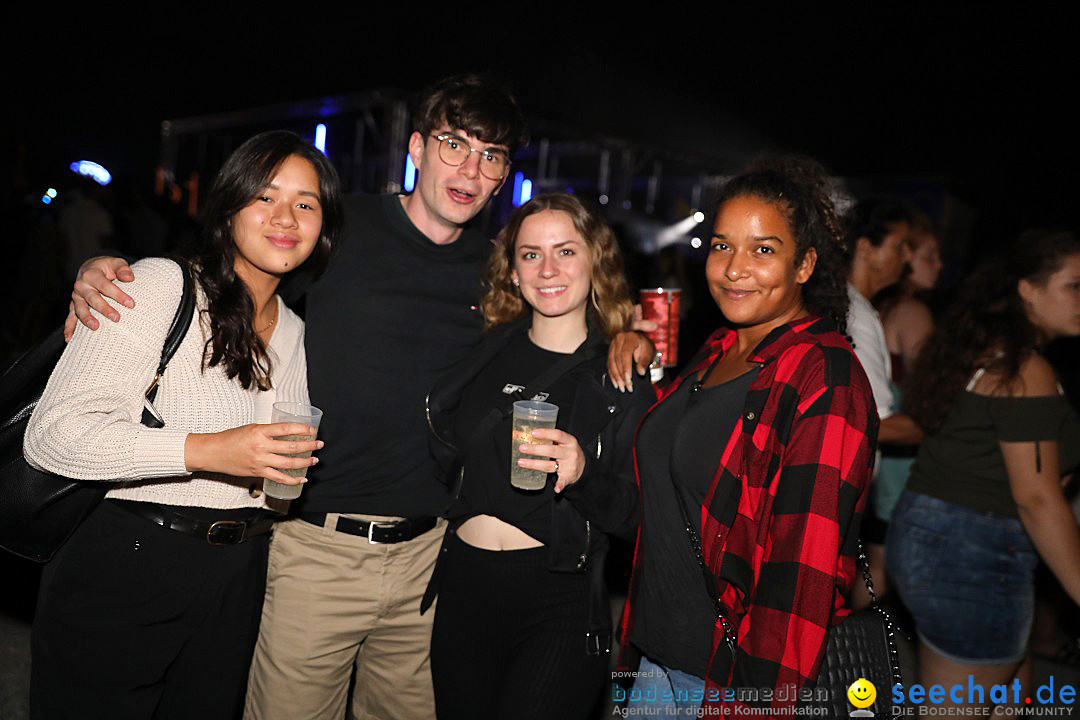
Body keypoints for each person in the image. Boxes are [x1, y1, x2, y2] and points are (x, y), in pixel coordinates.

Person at [66, 74, 657, 720]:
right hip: (318, 552)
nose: (469, 168)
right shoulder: (339, 232)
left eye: (491, 156)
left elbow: (561, 320)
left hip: (431, 563)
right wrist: (108, 268)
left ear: (501, 177)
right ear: (416, 149)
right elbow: (233, 276)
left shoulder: (496, 271)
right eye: (454, 144)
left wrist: (626, 335)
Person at [25, 130, 343, 719]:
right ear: (227, 209)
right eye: (265, 197)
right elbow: (53, 434)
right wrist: (208, 450)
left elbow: (273, 468)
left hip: (237, 575)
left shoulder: (295, 330)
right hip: (129, 561)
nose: (285, 218)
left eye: (306, 204)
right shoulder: (158, 286)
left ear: (322, 229)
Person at [617, 158, 878, 716]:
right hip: (656, 659)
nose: (734, 269)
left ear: (804, 264)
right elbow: (664, 487)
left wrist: (760, 701)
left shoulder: (825, 377)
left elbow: (801, 574)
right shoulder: (718, 351)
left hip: (725, 682)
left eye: (763, 250)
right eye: (721, 246)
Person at [423, 193, 655, 719]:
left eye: (565, 251)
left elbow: (640, 517)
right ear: (512, 271)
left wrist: (583, 472)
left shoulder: (618, 374)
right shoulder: (487, 349)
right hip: (464, 585)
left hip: (557, 599)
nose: (548, 269)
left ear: (595, 259)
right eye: (530, 254)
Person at [887, 229, 1080, 714]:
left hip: (943, 541)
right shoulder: (1024, 372)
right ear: (1027, 290)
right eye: (1074, 286)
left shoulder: (983, 352)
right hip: (972, 554)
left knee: (1008, 698)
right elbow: (1036, 497)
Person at [871, 216, 942, 524]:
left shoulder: (877, 309)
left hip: (880, 458)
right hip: (901, 449)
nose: (939, 265)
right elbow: (930, 389)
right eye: (929, 257)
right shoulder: (914, 312)